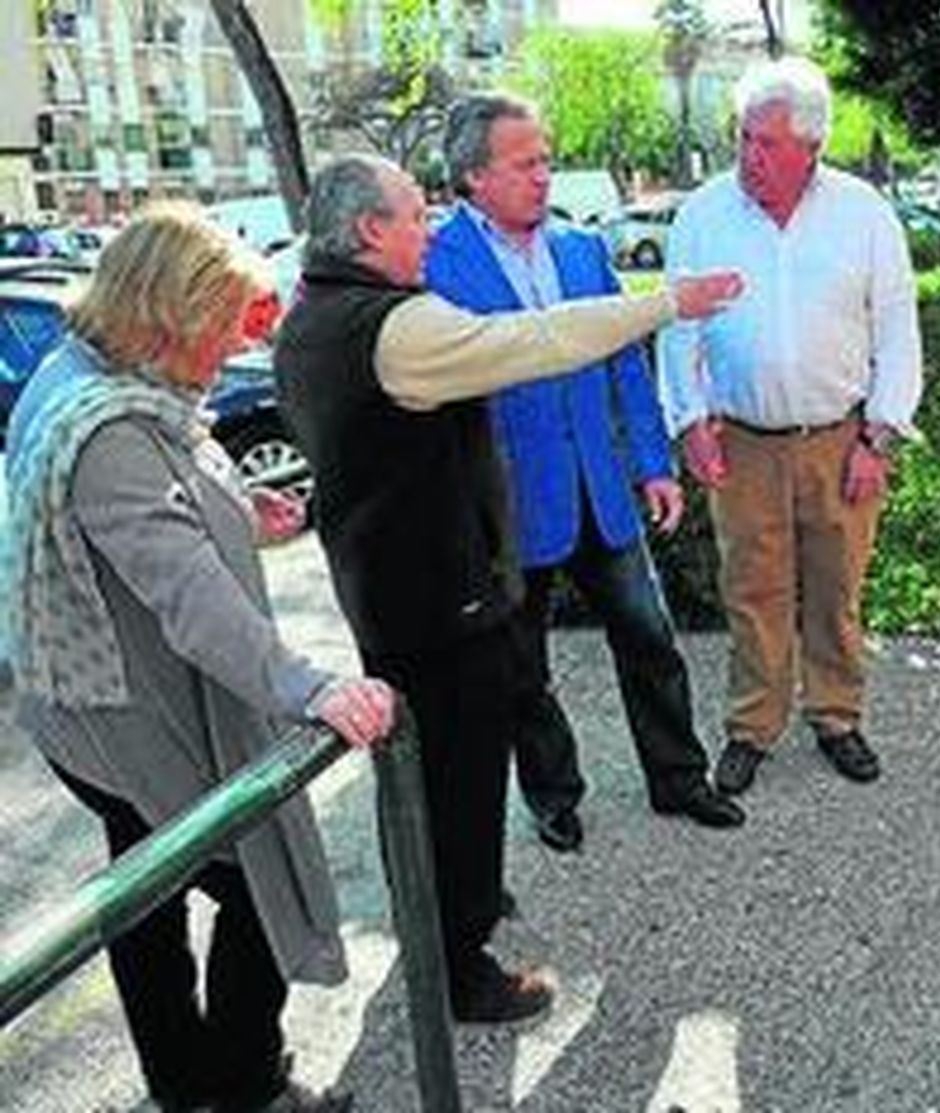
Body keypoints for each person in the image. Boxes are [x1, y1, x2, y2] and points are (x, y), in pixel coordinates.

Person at [273, 154, 740, 1023]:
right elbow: (537, 341)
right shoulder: (395, 325)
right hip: (439, 595)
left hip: (382, 587)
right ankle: (462, 964)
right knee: (460, 776)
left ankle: (439, 923)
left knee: (416, 777)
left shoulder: (308, 316)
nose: (430, 227)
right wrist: (670, 302)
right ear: (371, 230)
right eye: (415, 214)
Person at [0, 204, 394, 1113]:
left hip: (79, 701)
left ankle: (186, 1086)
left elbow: (147, 513)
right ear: (163, 314)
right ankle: (246, 1083)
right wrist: (309, 684)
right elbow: (190, 598)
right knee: (255, 876)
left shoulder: (87, 372)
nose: (228, 351)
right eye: (220, 327)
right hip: (124, 712)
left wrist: (236, 508)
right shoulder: (109, 430)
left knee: (143, 890)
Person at [426, 94, 743, 854]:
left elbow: (624, 365)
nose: (544, 175)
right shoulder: (435, 264)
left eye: (545, 159)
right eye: (524, 163)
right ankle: (553, 795)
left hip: (601, 491)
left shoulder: (580, 248)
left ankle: (678, 777)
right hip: (508, 505)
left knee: (650, 640)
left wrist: (653, 465)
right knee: (522, 669)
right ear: (473, 177)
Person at [658, 57, 924, 797]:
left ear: (811, 147)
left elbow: (898, 330)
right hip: (740, 442)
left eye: (767, 143)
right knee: (752, 591)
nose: (750, 156)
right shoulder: (703, 214)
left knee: (837, 589)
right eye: (744, 138)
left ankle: (837, 716)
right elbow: (677, 331)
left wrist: (880, 435)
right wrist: (689, 422)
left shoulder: (864, 213)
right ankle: (752, 726)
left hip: (841, 440)